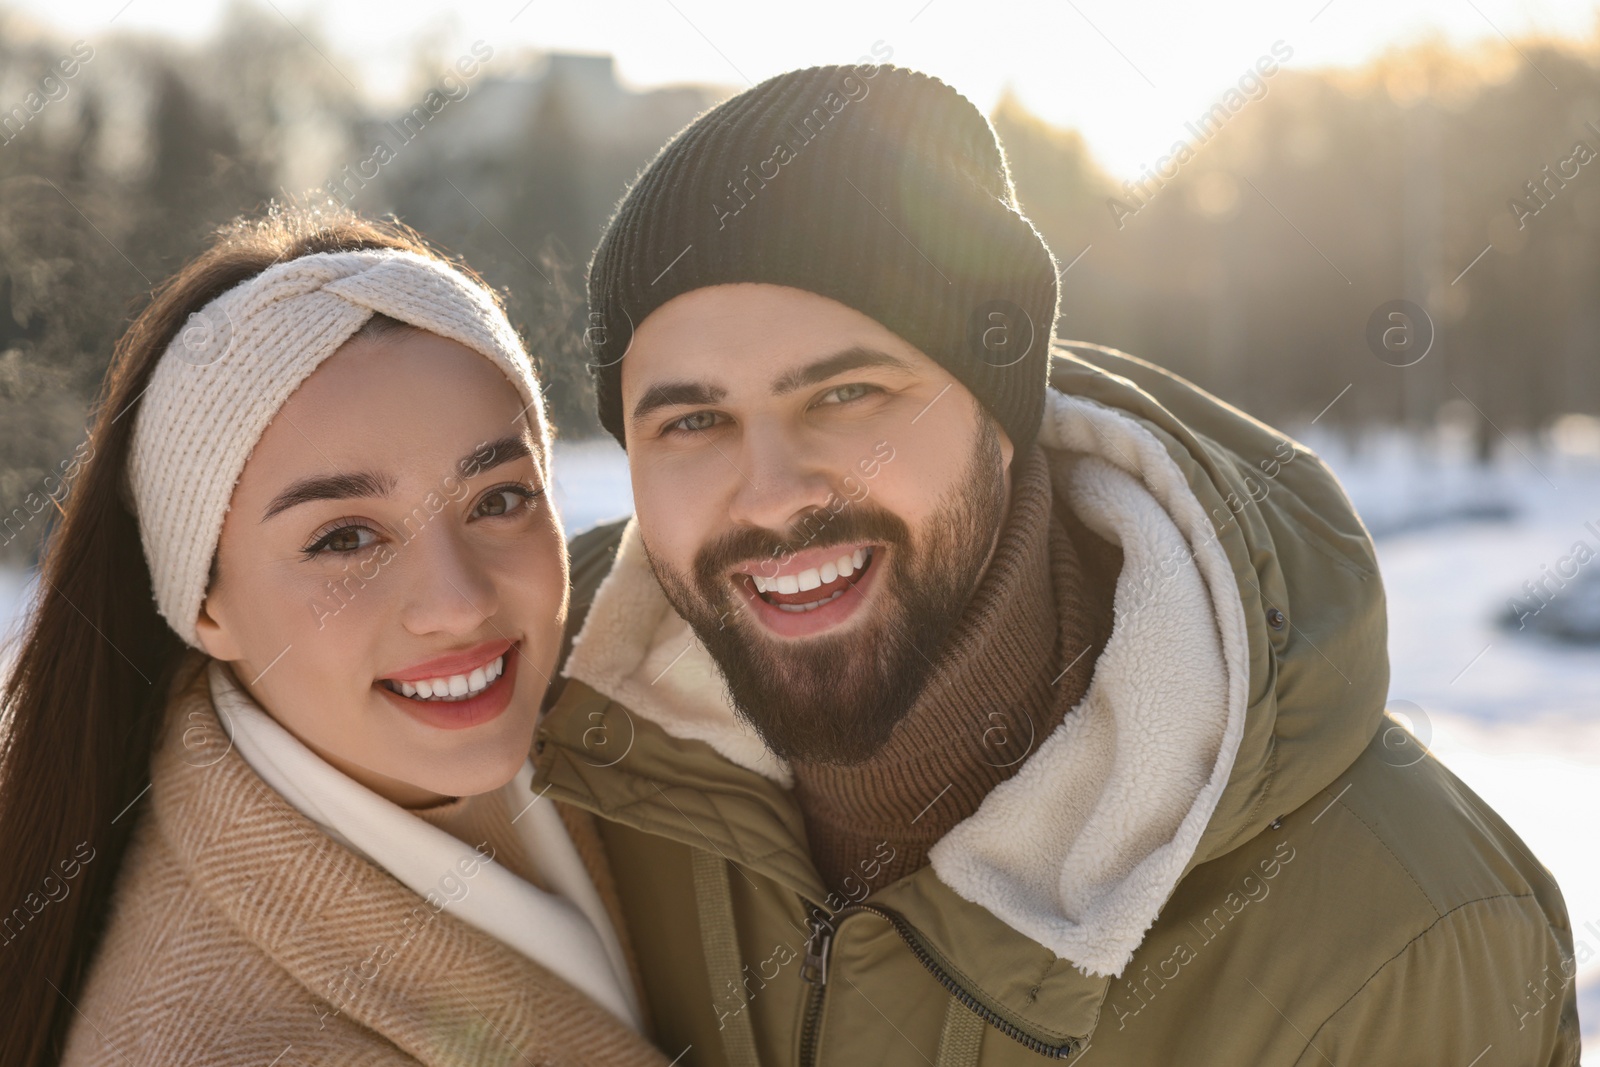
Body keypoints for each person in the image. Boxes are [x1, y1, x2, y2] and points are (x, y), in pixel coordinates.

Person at [534, 65, 1582, 1065]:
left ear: (1003, 415)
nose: (768, 493)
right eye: (692, 420)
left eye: (847, 395)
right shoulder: (556, 780)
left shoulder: (1399, 931)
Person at [0, 207, 669, 1066]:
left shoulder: (658, 712)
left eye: (498, 499)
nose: (458, 603)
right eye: (344, 538)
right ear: (204, 603)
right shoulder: (225, 1041)